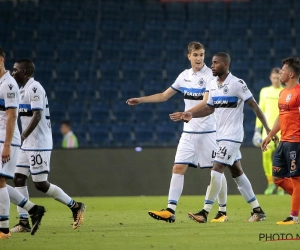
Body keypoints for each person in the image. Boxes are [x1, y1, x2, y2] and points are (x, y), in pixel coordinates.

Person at [127, 42, 228, 223]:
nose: (199, 58)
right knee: (178, 168)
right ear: (188, 56)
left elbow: (207, 101)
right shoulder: (184, 76)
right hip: (188, 132)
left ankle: (222, 211)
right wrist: (141, 100)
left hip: (208, 132)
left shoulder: (210, 76)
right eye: (195, 55)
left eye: (202, 54)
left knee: (216, 170)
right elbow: (164, 96)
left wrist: (188, 113)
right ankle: (170, 210)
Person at [182, 52, 273, 222]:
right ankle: (258, 210)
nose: (213, 65)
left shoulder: (237, 84)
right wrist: (191, 115)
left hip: (232, 136)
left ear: (226, 64)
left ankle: (205, 212)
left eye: (216, 63)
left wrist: (267, 128)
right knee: (237, 172)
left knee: (216, 168)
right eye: (212, 62)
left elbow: (254, 106)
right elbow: (209, 108)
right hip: (219, 136)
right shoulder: (213, 84)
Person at [10, 58, 86, 233]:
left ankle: (75, 206)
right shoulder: (21, 90)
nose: (12, 73)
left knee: (40, 184)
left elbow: (37, 115)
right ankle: (23, 222)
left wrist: (22, 135)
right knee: (18, 178)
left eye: (15, 70)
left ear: (24, 72)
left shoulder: (34, 88)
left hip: (38, 143)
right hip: (26, 143)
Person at [0, 48, 45, 239]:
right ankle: (33, 209)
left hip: (6, 138)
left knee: (1, 181)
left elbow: (11, 116)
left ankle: (3, 229)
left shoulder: (8, 84)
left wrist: (7, 144)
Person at [261, 56, 300, 225]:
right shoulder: (283, 93)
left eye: (282, 70)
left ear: (291, 74)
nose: (280, 72)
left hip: (295, 141)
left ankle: (293, 216)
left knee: (297, 179)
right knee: (278, 178)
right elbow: (281, 116)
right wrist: (269, 135)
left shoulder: (298, 93)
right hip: (283, 141)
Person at [252, 68, 284, 195]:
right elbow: (261, 111)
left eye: (278, 78)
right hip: (268, 129)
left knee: (283, 158)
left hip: (283, 128)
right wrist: (257, 130)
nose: (276, 80)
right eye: (274, 78)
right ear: (270, 78)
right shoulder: (264, 91)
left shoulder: (285, 91)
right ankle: (271, 183)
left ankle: (281, 186)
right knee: (266, 154)